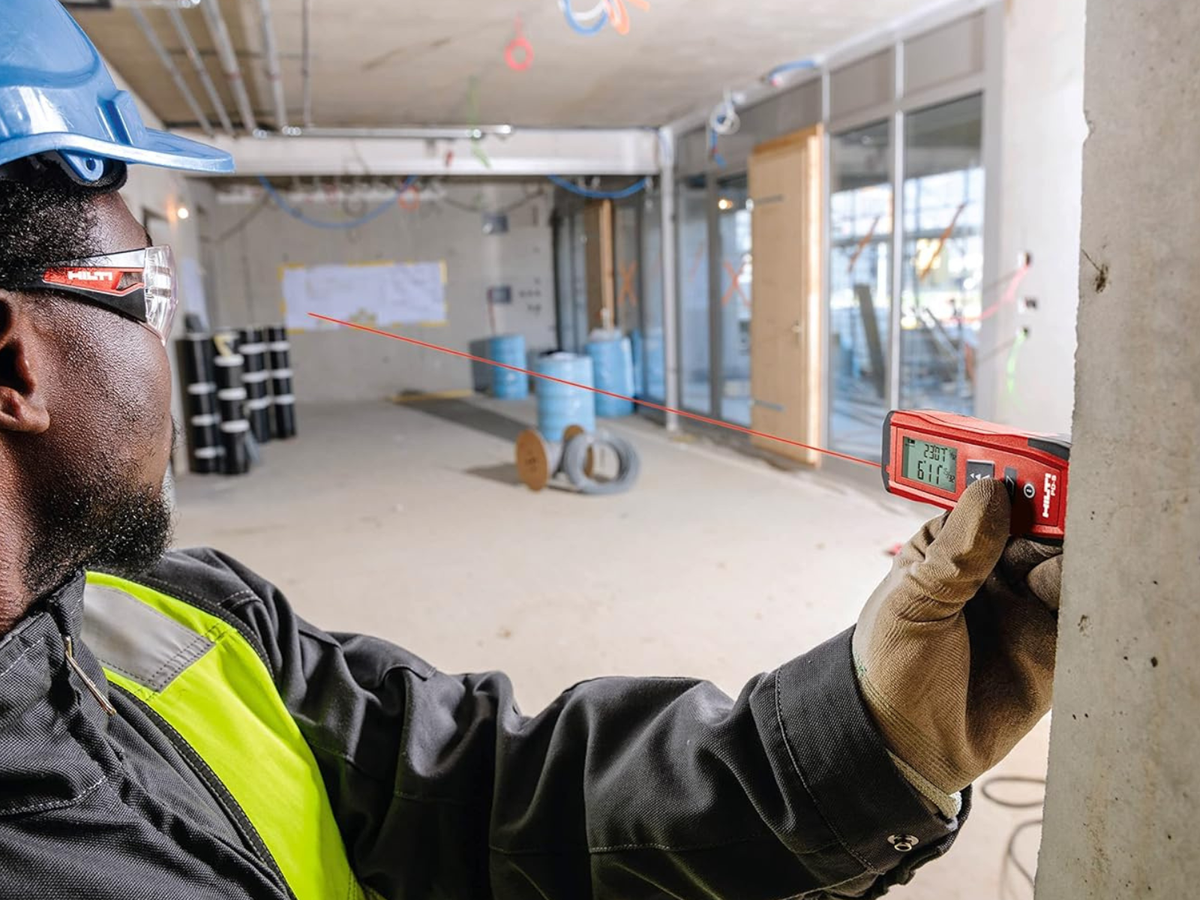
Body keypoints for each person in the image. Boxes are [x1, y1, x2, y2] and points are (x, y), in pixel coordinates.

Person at [0, 2, 1062, 897]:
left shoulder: (170, 615)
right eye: (146, 289)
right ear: (14, 367)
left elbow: (470, 784)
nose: (164, 341)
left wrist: (865, 742)